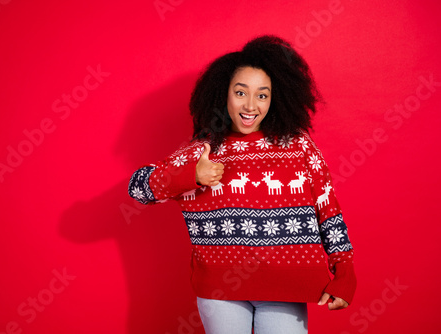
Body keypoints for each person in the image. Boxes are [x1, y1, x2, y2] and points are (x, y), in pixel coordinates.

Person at [128, 35, 356, 333]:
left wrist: (345, 270)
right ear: (223, 94)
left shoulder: (299, 146)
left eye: (262, 95)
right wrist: (190, 176)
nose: (250, 105)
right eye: (240, 92)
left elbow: (328, 209)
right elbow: (138, 188)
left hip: (286, 287)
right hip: (221, 292)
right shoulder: (202, 150)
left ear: (276, 98)